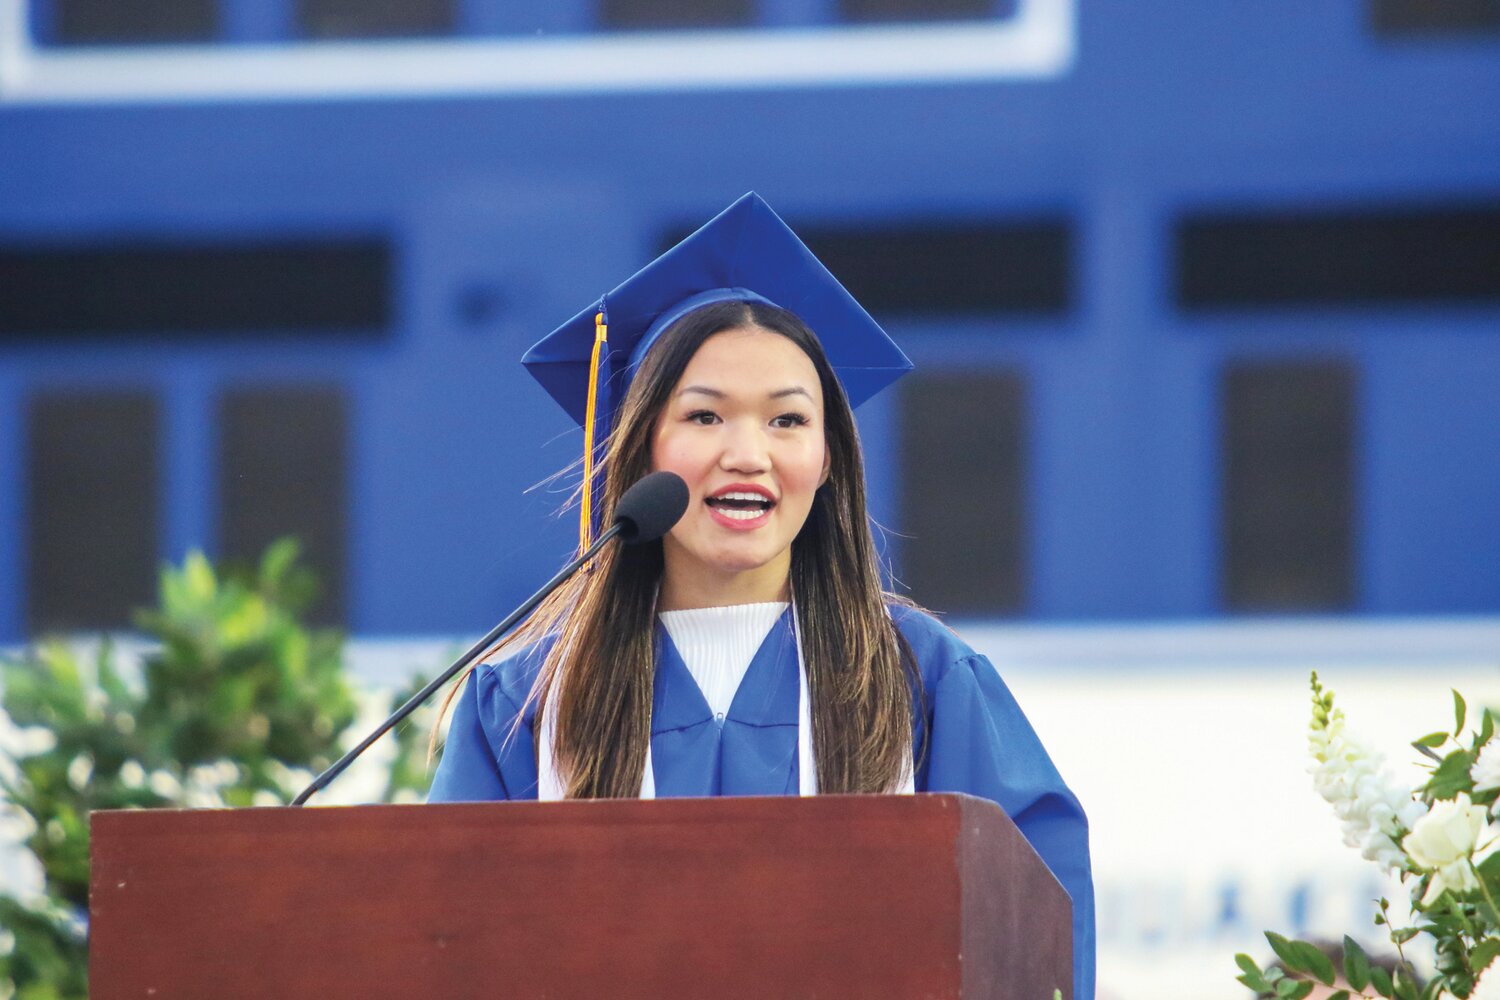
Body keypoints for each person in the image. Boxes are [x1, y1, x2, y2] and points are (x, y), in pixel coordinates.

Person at [428, 192, 1095, 999]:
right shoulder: (525, 705)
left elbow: (1031, 920)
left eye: (787, 421)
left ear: (829, 458)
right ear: (638, 449)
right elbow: (447, 943)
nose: (749, 454)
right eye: (705, 416)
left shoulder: (921, 679)